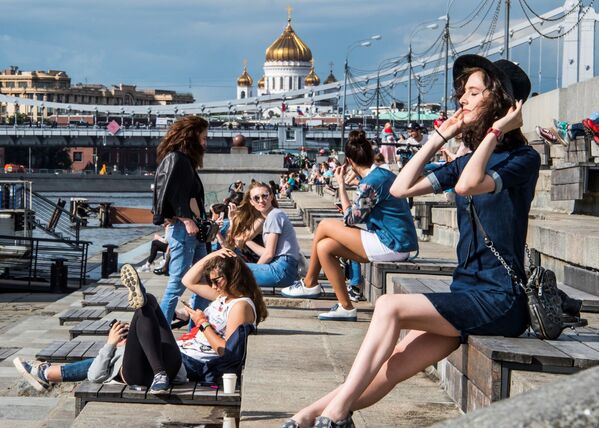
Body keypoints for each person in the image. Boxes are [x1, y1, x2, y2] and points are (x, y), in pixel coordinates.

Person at [282, 54, 538, 427]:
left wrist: (496, 131)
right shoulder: (468, 160)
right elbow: (401, 188)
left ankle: (335, 416)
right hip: (467, 291)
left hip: (500, 300)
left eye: (472, 92)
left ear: (499, 103)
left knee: (389, 305)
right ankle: (309, 415)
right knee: (398, 360)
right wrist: (440, 136)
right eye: (461, 93)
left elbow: (468, 185)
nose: (461, 101)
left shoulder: (523, 159)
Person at [15, 256, 267, 394]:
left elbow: (227, 351)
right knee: (148, 306)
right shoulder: (224, 296)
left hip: (191, 364)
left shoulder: (241, 305)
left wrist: (202, 324)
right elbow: (188, 279)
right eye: (211, 281)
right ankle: (143, 299)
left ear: (232, 277)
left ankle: (48, 373)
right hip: (183, 350)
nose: (212, 286)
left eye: (217, 280)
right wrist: (214, 256)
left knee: (122, 350)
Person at [280, 130, 418, 321]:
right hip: (398, 242)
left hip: (392, 243)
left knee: (324, 226)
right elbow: (354, 216)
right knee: (324, 247)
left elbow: (351, 219)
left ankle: (310, 282)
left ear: (350, 162)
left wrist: (342, 186)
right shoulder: (383, 175)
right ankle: (345, 306)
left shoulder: (370, 183)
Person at [152, 116, 210, 326]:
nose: (205, 142)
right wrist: (186, 219)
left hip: (195, 232)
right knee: (177, 283)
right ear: (192, 136)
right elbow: (171, 194)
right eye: (203, 138)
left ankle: (196, 327)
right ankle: (160, 330)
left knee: (202, 280)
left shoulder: (184, 161)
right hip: (185, 232)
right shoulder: (176, 159)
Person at [228, 182, 301, 288]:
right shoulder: (272, 216)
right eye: (256, 198)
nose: (261, 200)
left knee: (229, 271)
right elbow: (267, 252)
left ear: (271, 196)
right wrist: (247, 240)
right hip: (285, 268)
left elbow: (269, 255)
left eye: (264, 196)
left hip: (281, 269)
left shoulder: (274, 215)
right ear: (251, 202)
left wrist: (254, 271)